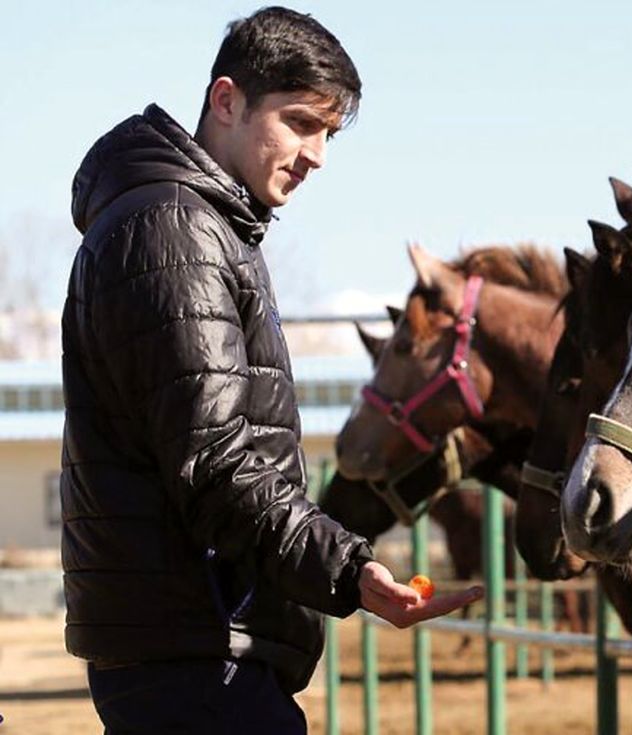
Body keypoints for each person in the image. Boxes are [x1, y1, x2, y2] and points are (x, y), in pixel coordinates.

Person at [61, 7, 482, 732]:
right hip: (195, 654)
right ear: (226, 100)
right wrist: (349, 569)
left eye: (328, 133)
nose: (317, 154)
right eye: (299, 122)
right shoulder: (176, 230)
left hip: (195, 649)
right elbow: (219, 464)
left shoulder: (201, 225)